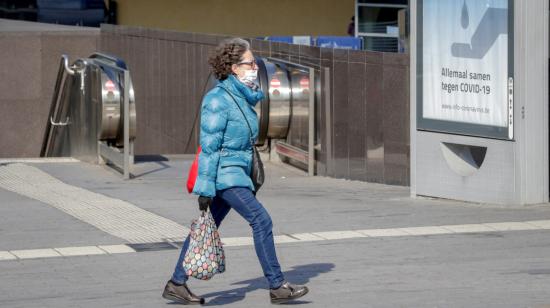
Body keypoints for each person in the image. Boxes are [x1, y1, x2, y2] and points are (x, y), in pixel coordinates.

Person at [162, 38, 309, 305]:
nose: (255, 66)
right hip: (225, 175)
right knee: (261, 220)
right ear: (233, 68)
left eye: (254, 62)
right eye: (250, 62)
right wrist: (204, 189)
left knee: (208, 227)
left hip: (236, 172)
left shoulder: (241, 96)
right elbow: (209, 147)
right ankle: (277, 285)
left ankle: (176, 282)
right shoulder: (218, 99)